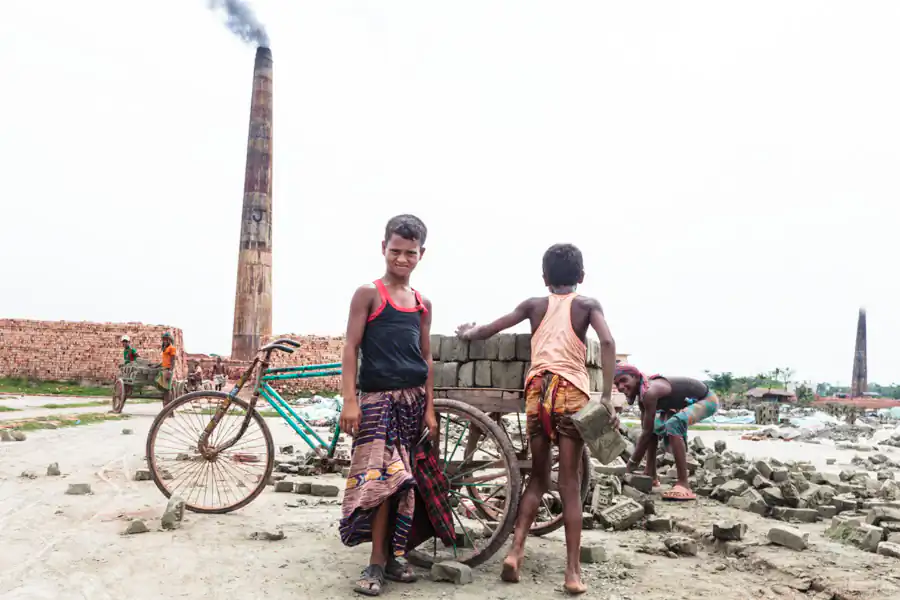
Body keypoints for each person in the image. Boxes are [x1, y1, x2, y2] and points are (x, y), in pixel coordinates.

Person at [456, 243, 616, 596]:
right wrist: (605, 398)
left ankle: (515, 552)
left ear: (544, 278)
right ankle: (572, 573)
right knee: (570, 486)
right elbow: (606, 341)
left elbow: (489, 329)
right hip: (572, 393)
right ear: (582, 277)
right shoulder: (588, 306)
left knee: (539, 478)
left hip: (537, 393)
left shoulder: (533, 305)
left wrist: (468, 331)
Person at [338, 214, 438, 597]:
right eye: (395, 251)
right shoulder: (369, 294)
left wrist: (429, 408)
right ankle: (376, 563)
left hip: (412, 403)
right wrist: (350, 401)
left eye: (410, 253)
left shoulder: (421, 304)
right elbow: (351, 346)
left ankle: (394, 555)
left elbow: (426, 358)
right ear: (383, 248)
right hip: (377, 403)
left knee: (402, 485)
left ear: (421, 254)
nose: (401, 259)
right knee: (382, 483)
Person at [613, 364, 719, 501]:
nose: (620, 387)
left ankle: (683, 484)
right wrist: (634, 462)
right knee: (653, 428)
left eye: (623, 380)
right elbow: (647, 430)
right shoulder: (643, 396)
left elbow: (645, 434)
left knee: (673, 424)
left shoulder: (650, 391)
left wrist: (632, 463)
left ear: (634, 377)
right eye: (616, 384)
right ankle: (651, 474)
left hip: (707, 400)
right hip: (682, 404)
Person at [152, 332, 177, 408]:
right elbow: (165, 361)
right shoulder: (165, 349)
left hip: (167, 370)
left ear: (169, 340)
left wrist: (170, 371)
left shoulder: (172, 348)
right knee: (164, 389)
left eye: (166, 340)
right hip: (164, 369)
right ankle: (166, 406)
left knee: (167, 389)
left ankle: (169, 407)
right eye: (163, 340)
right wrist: (156, 365)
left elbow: (173, 361)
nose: (164, 341)